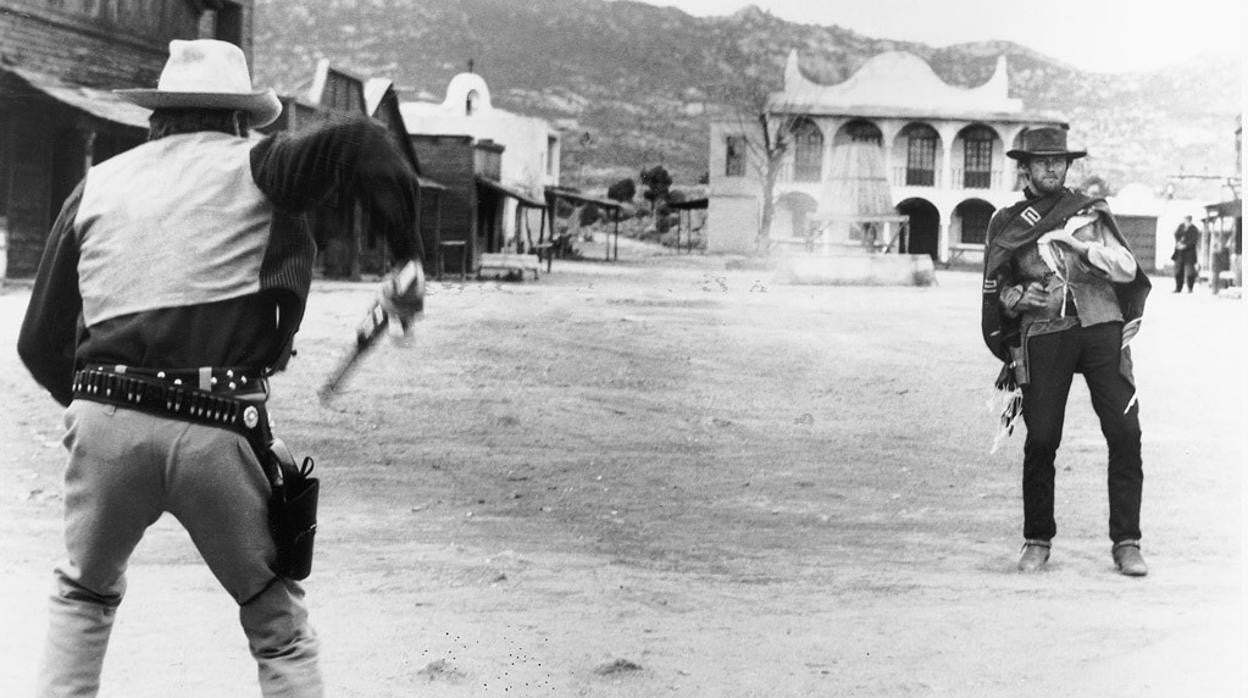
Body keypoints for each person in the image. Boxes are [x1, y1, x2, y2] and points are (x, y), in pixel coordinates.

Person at [17, 40, 423, 696]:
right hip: (217, 421)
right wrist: (407, 260)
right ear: (240, 118)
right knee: (277, 624)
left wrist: (107, 411)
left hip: (103, 421)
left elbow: (38, 344)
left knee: (83, 599)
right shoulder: (260, 161)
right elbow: (362, 139)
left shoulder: (97, 184)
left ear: (157, 117)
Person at [980, 126, 1151, 576]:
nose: (1052, 168)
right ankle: (1037, 539)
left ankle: (1127, 542)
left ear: (1068, 166)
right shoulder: (1006, 222)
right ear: (1026, 168)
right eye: (1042, 161)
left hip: (1100, 324)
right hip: (1044, 332)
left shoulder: (1091, 212)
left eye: (1059, 160)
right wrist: (1019, 299)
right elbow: (997, 290)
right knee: (1041, 439)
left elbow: (1125, 267)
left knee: (1125, 432)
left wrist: (1084, 248)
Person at [1171, 215, 1200, 292]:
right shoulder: (1180, 226)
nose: (1186, 221)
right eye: (1185, 219)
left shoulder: (1194, 229)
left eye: (1188, 220)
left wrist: (1185, 245)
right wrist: (1178, 243)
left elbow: (1194, 241)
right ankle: (1178, 288)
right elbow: (1176, 235)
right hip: (1179, 252)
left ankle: (1190, 288)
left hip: (1189, 253)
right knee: (1178, 271)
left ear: (1190, 220)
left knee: (1190, 272)